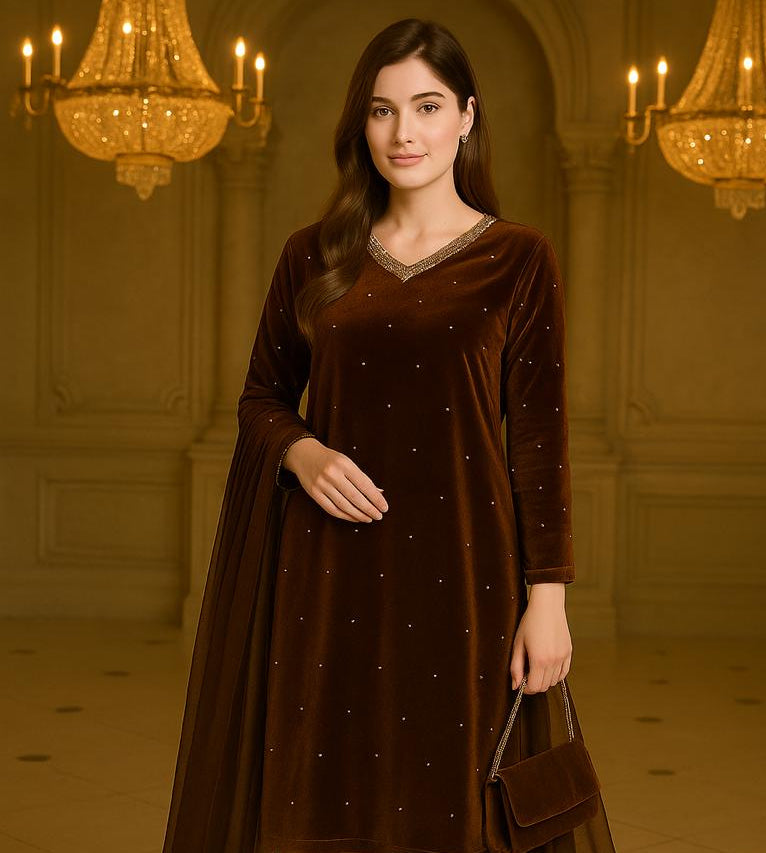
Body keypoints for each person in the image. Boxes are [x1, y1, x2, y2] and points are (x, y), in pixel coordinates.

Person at [162, 17, 617, 853]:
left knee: (455, 798)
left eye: (427, 105)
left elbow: (540, 443)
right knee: (325, 794)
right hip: (326, 572)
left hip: (467, 576)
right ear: (359, 124)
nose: (403, 132)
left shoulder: (518, 259)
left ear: (467, 116)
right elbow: (262, 397)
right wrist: (302, 450)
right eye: (381, 110)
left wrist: (546, 599)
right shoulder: (315, 255)